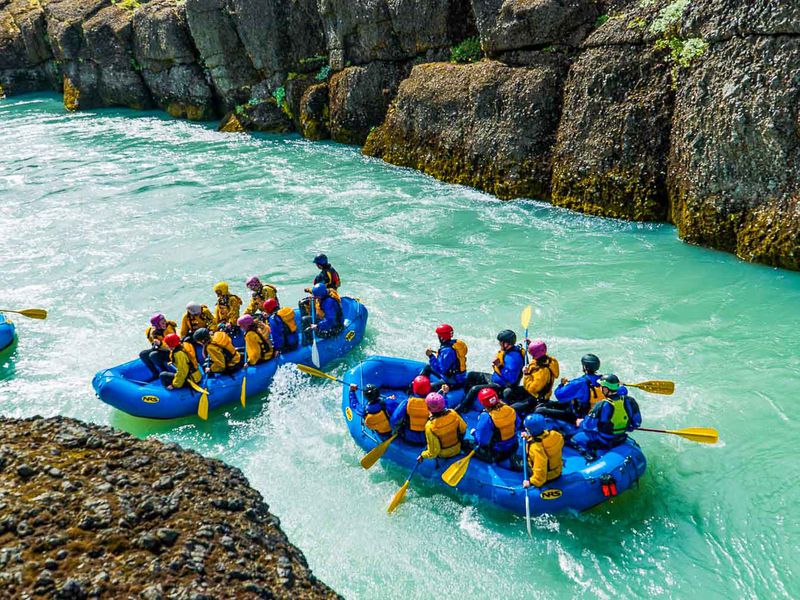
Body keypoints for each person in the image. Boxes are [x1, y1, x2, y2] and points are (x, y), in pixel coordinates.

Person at [457, 330, 525, 413]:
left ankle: (463, 408)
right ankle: (466, 398)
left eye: (501, 342)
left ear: (507, 343)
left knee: (474, 389)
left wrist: (499, 366)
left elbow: (512, 379)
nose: (499, 344)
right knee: (471, 375)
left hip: (502, 386)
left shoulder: (513, 358)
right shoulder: (511, 350)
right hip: (495, 378)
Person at [572, 374, 641, 451]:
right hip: (621, 437)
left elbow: (588, 426)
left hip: (604, 440)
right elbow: (637, 423)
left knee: (575, 438)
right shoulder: (630, 401)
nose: (600, 388)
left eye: (601, 386)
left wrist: (580, 422)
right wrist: (625, 426)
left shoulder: (602, 404)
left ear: (606, 389)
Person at [538, 353, 603, 424]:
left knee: (540, 410)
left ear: (585, 367)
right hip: (593, 414)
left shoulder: (580, 383)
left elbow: (559, 395)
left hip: (577, 416)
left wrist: (562, 384)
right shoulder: (603, 381)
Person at [471, 388, 521, 467]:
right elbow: (518, 424)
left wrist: (474, 433)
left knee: (468, 444)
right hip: (514, 445)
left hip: (498, 452)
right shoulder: (509, 409)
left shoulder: (486, 417)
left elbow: (482, 440)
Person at [509, 340, 560, 415]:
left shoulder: (542, 372)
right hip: (534, 393)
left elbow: (531, 389)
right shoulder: (551, 361)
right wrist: (531, 345)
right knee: (508, 391)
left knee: (512, 409)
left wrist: (526, 374)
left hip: (536, 398)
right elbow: (540, 353)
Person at [418, 392, 467, 461]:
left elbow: (434, 452)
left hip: (443, 455)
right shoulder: (453, 413)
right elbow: (463, 428)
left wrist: (423, 455)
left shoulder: (430, 426)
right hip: (457, 449)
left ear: (428, 408)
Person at [419, 324, 468, 390]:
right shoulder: (453, 344)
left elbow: (441, 370)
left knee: (424, 388)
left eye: (438, 336)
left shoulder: (447, 351)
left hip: (452, 382)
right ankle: (420, 383)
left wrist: (430, 356)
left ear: (442, 337)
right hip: (457, 377)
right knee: (428, 367)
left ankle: (417, 388)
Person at [521, 414, 564, 488]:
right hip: (557, 471)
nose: (525, 429)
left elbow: (540, 469)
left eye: (527, 428)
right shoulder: (555, 434)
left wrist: (531, 482)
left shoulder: (536, 448)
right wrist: (528, 436)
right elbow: (541, 437)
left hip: (547, 477)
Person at [390, 375, 431, 445]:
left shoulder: (406, 403)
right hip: (427, 438)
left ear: (414, 389)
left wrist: (396, 431)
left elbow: (394, 420)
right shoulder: (433, 403)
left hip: (409, 437)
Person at [139, 313, 178, 378]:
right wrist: (155, 344)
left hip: (171, 350)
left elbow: (172, 346)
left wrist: (160, 344)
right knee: (143, 354)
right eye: (162, 323)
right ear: (157, 325)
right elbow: (151, 340)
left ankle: (165, 372)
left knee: (153, 355)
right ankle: (155, 373)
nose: (165, 323)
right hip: (161, 348)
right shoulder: (151, 331)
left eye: (165, 321)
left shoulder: (169, 328)